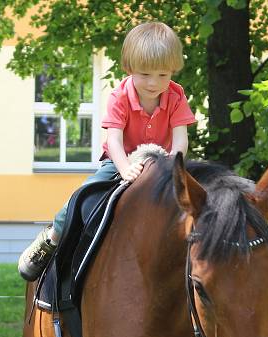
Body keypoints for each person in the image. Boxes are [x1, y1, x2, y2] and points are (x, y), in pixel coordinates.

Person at [18, 21, 196, 281]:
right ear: (130, 68)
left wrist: (173, 164)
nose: (154, 83)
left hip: (162, 163)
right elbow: (114, 139)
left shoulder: (176, 96)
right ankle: (52, 238)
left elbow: (181, 139)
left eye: (163, 75)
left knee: (201, 198)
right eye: (145, 74)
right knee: (84, 195)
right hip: (121, 161)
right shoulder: (120, 96)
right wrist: (125, 169)